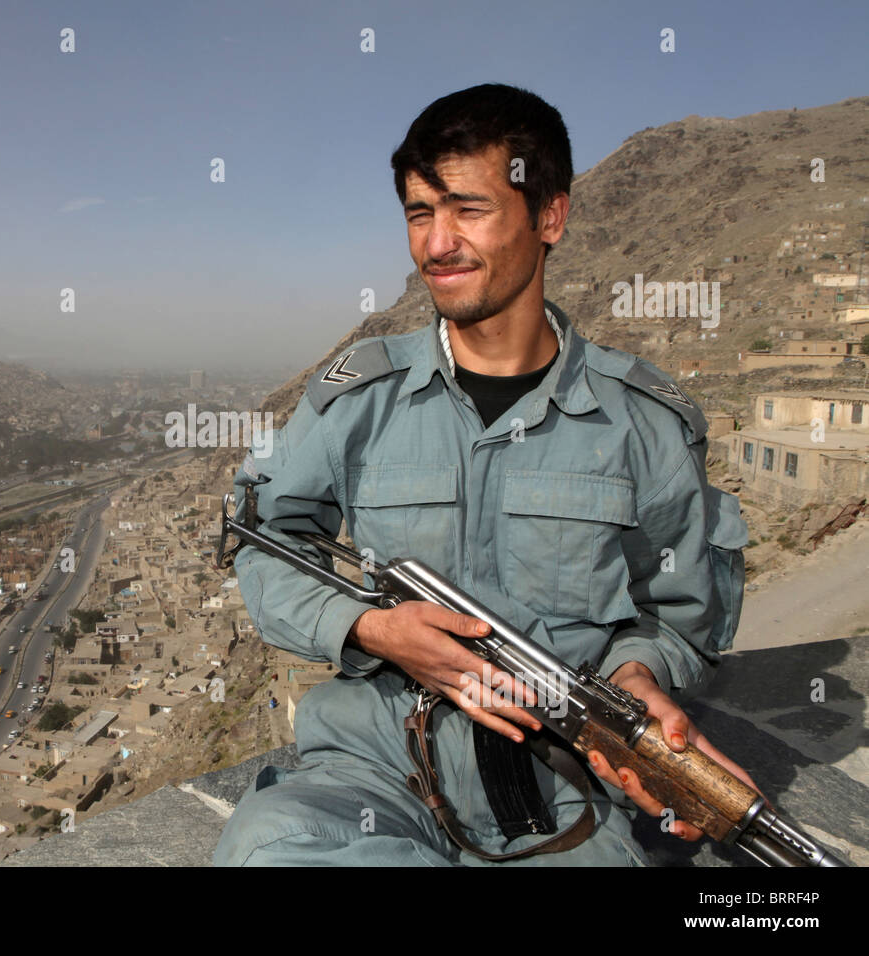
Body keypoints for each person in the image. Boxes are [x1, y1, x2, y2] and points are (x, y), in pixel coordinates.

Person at [213, 83, 755, 866]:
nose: (436, 244)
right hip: (377, 768)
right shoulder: (358, 398)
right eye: (418, 214)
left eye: (467, 209)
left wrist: (638, 676)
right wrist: (372, 629)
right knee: (269, 848)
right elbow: (264, 537)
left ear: (549, 217)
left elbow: (677, 615)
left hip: (561, 789)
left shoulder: (643, 423)